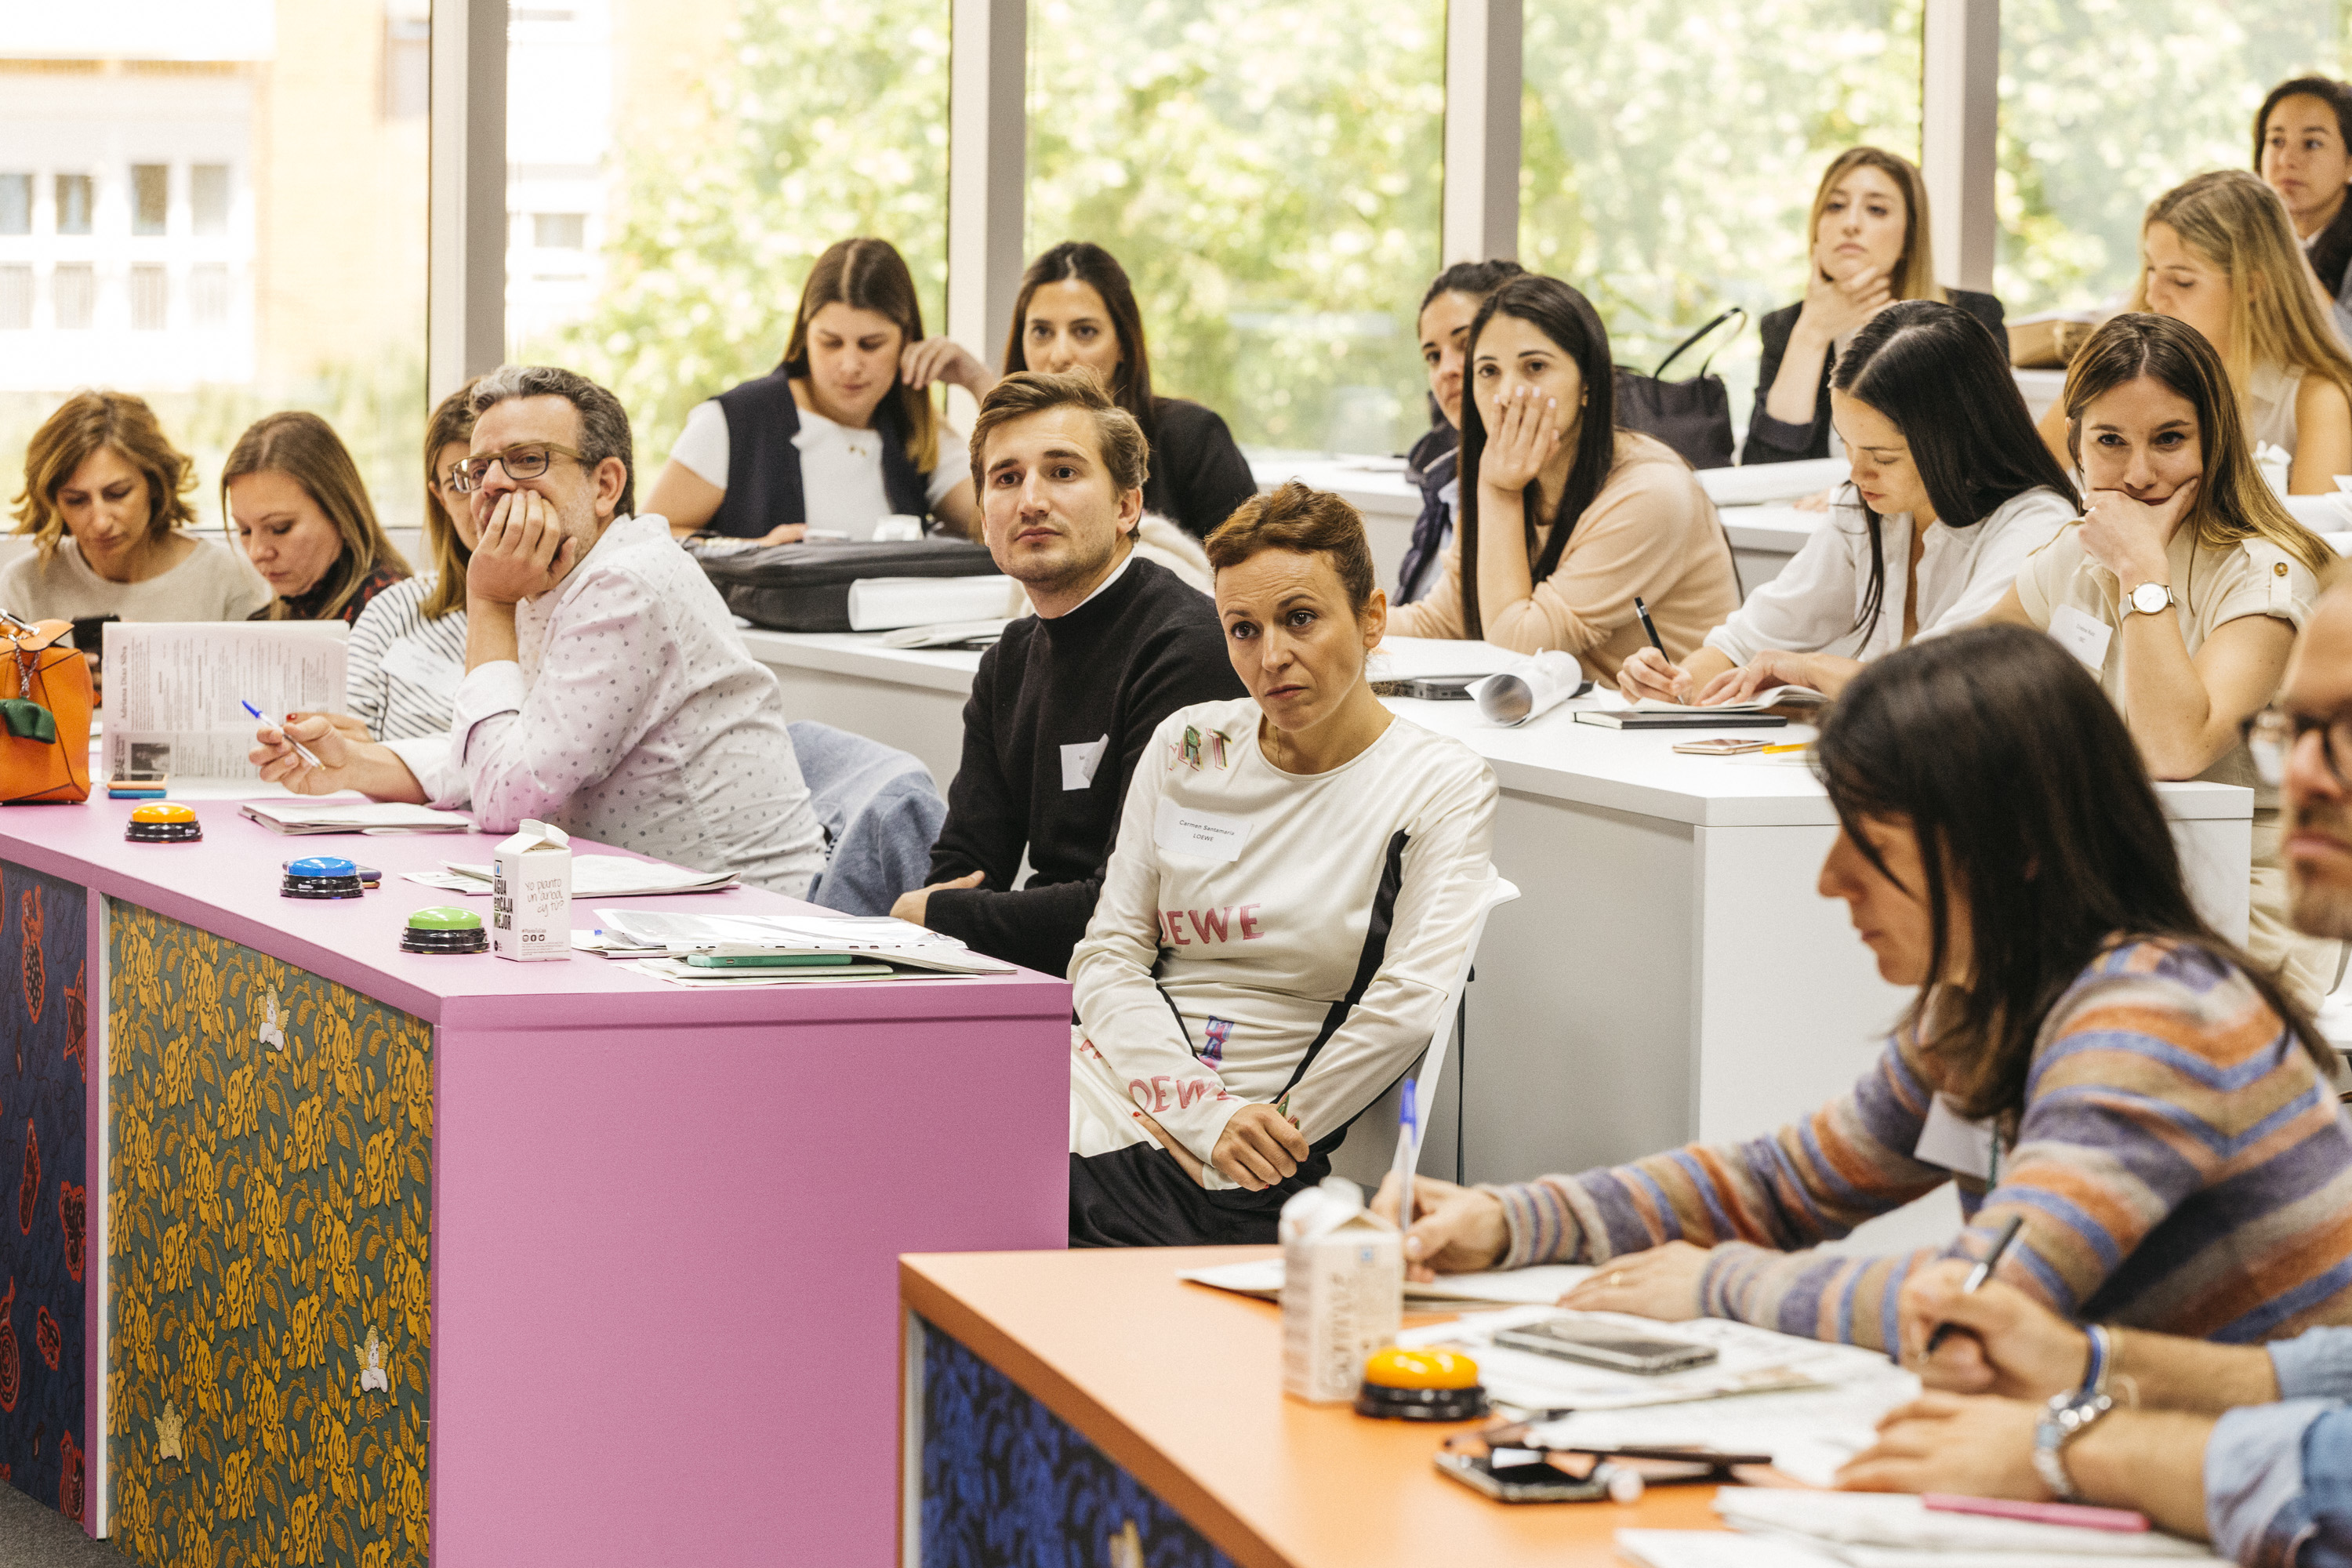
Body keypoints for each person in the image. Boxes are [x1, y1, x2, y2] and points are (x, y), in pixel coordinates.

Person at [1371, 626, 2352, 1352]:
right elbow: (1784, 1183)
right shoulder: (1991, 1002)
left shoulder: (2151, 1016)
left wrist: (1720, 1285)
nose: (1831, 879)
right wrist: (1510, 1220)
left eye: (1870, 842)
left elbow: (1984, 1296)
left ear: (2011, 846)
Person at [1834, 575, 2352, 1557]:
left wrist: (2074, 1442)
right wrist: (2093, 1365)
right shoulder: (1992, 1001)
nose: (2304, 776)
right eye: (2297, 729)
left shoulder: (2156, 1010)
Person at [1066, 483, 1498, 1247]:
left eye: (1300, 618)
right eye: (1243, 629)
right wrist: (1196, 1107)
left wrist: (1245, 1134)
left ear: (1371, 618)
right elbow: (1107, 955)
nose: (1271, 658)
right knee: (909, 1111)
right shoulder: (1189, 744)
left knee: (959, 1176)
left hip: (1241, 1153)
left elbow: (1407, 1005)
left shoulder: (1439, 781)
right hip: (1119, 1084)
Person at [251, 365, 829, 898]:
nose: (492, 486)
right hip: (654, 906)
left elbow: (506, 799)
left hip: (741, 922)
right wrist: (354, 764)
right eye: (479, 469)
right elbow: (504, 757)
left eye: (527, 459)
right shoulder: (560, 577)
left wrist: (489, 601)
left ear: (605, 485)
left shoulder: (626, 585)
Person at [1987, 312, 2339, 1011]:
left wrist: (2142, 573)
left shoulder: (2263, 573)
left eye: (2170, 439)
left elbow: (2172, 749)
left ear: (2215, 439)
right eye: (2110, 441)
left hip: (2239, 907)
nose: (2139, 474)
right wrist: (1820, 677)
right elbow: (1958, 677)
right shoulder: (2078, 551)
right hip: (2115, 884)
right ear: (2076, 444)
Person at [887, 371, 1245, 977]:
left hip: (1164, 995)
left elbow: (1134, 912)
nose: (1031, 501)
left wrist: (945, 917)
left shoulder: (1188, 650)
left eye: (1062, 472)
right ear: (984, 517)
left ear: (1127, 506)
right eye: (1007, 479)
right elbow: (962, 870)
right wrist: (946, 914)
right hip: (1049, 980)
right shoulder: (1009, 660)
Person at [1620, 299, 2076, 706]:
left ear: (1957, 439)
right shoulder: (1866, 508)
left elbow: (1941, 684)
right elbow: (1748, 638)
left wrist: (1812, 668)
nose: (1857, 475)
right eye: (1848, 446)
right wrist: (1678, 683)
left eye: (1883, 457)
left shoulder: (2036, 525)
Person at [1381, 274, 1740, 677]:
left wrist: (1498, 491)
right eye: (1488, 371)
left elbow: (1515, 647)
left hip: (1662, 716)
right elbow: (1443, 622)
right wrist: (1343, 620)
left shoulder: (1653, 490)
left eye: (1535, 367)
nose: (1507, 394)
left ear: (1588, 383)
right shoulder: (1507, 474)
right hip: (1560, 713)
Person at [900, 241, 1258, 540]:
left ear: (1123, 344)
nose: (1059, 355)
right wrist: (980, 383)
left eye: (1085, 332)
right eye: (1042, 332)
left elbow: (1252, 570)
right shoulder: (1018, 453)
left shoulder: (1192, 436)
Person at [642, 237, 979, 543]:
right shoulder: (733, 423)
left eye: (871, 344)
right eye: (830, 343)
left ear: (907, 340)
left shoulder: (920, 432)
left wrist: (979, 382)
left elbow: (996, 525)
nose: (850, 365)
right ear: (806, 336)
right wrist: (751, 552)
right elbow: (647, 539)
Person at [2035, 171, 2352, 495]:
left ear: (2252, 286)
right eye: (2151, 270)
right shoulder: (2111, 370)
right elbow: (2028, 487)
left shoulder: (2315, 400)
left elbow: (2312, 527)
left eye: (2182, 281)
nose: (2153, 296)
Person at [1747, 147, 2004, 466]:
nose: (1851, 223)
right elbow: (1764, 472)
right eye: (1835, 206)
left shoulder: (1972, 317)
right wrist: (1811, 334)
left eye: (1877, 210)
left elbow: (1980, 459)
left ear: (1909, 237)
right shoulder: (1785, 327)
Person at [3, 391, 267, 639]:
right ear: (53, 502)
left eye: (117, 494)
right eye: (76, 500)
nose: (100, 522)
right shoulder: (25, 584)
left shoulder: (230, 579)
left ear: (154, 484)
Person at [343, 380, 477, 742]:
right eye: (460, 483)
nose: (483, 499)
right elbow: (347, 753)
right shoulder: (392, 612)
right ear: (440, 498)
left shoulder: (580, 610)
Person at [1397, 259, 1526, 605]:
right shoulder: (1444, 481)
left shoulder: (1560, 486)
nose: (1446, 370)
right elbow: (1432, 617)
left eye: (1465, 343)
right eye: (1433, 356)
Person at [225, 411, 411, 625]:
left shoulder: (393, 613)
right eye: (245, 530)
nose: (256, 552)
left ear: (340, 516)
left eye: (280, 527)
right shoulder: (264, 622)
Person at [2256, 75, 2352, 343]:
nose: (2287, 160)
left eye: (2312, 144)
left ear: (2350, 163)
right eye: (2276, 141)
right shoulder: (2247, 235)